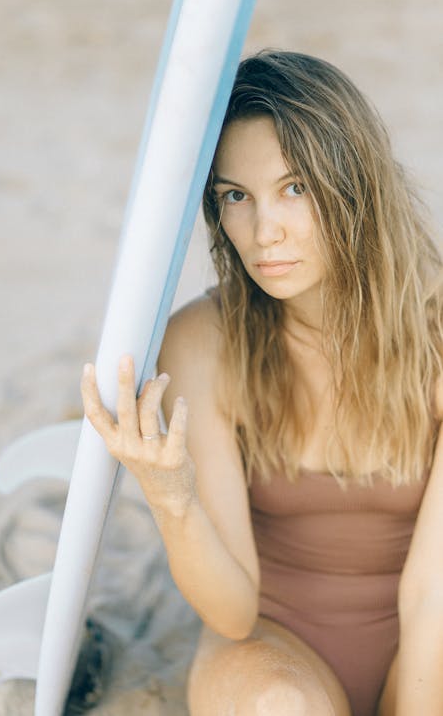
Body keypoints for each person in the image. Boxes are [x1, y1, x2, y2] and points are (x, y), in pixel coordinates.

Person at [81, 50, 443, 716]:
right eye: (235, 197)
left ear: (353, 185)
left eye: (295, 188)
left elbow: (431, 597)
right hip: (273, 645)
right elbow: (233, 608)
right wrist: (172, 497)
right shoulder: (205, 340)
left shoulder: (437, 334)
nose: (263, 230)